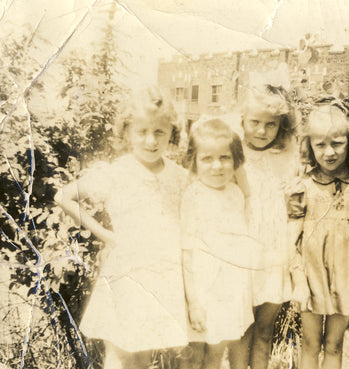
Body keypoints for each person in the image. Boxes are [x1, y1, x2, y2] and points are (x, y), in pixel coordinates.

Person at [54, 87, 188, 369]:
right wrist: (106, 236)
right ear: (127, 132)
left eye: (160, 132)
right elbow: (63, 196)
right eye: (141, 131)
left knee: (142, 355)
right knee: (120, 357)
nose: (150, 140)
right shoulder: (117, 172)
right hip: (127, 275)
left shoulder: (179, 176)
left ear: (171, 133)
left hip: (162, 277)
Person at [286, 98, 349, 369]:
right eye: (320, 145)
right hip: (311, 275)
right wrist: (298, 280)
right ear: (309, 146)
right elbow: (291, 242)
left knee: (334, 345)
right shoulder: (302, 187)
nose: (329, 152)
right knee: (311, 343)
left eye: (337, 143)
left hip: (347, 277)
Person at [181, 118, 267, 369]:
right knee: (196, 355)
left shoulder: (236, 193)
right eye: (207, 158)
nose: (217, 166)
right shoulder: (193, 195)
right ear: (195, 162)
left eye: (225, 158)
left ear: (236, 160)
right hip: (204, 287)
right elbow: (187, 254)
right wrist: (193, 303)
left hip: (230, 288)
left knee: (218, 352)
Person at [228, 81, 298, 369]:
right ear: (242, 119)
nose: (260, 130)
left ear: (281, 126)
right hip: (241, 251)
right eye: (254, 122)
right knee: (241, 327)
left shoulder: (288, 156)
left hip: (274, 250)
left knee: (265, 329)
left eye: (270, 125)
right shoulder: (233, 153)